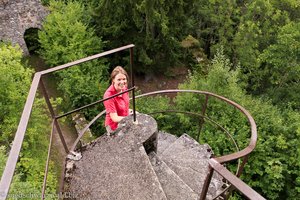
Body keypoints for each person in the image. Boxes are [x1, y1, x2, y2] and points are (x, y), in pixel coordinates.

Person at [103, 66, 131, 134]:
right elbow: (114, 118)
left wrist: (130, 111)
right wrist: (130, 119)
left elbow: (125, 105)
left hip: (124, 121)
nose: (122, 82)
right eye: (119, 79)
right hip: (114, 127)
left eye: (124, 79)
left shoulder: (124, 89)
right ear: (113, 80)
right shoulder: (108, 95)